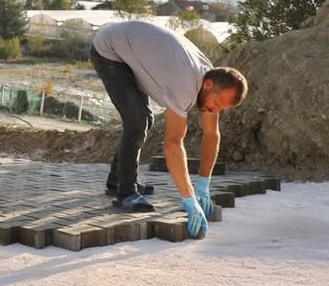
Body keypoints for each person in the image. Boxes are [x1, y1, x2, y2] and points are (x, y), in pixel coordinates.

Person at [90, 20, 248, 237]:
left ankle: (117, 179)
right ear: (209, 85)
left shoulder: (209, 81)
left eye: (222, 109)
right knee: (137, 120)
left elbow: (212, 135)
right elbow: (173, 144)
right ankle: (126, 192)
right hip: (110, 51)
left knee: (143, 119)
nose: (215, 111)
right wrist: (189, 199)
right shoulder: (185, 85)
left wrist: (203, 184)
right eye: (217, 104)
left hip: (134, 49)